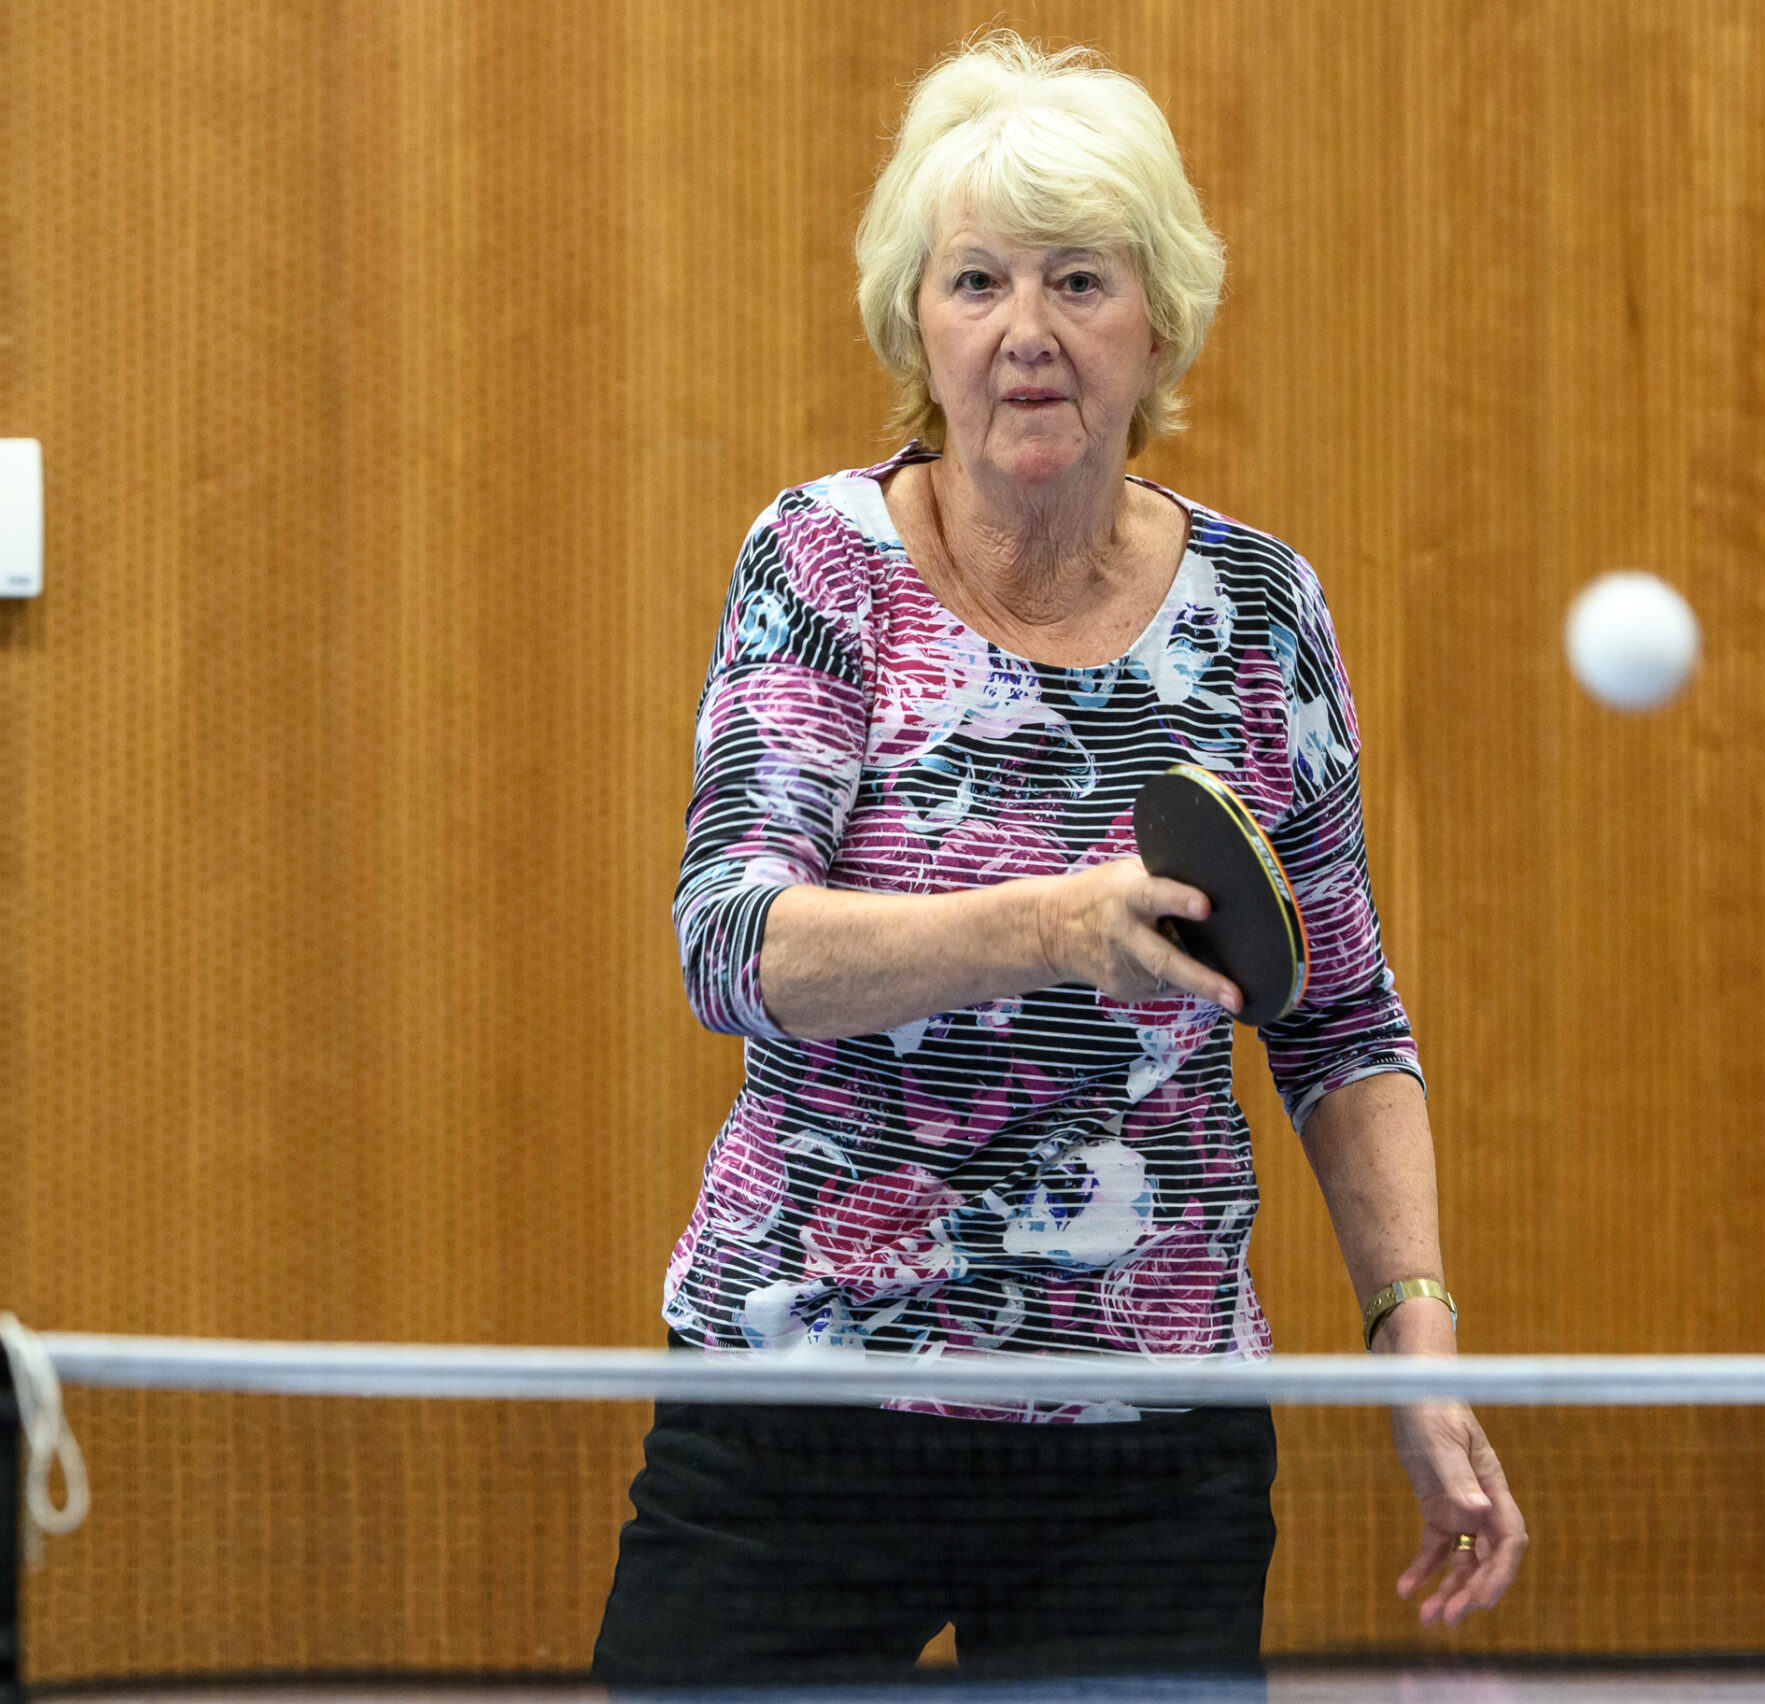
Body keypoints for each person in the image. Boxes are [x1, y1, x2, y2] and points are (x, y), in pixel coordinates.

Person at [593, 33, 1526, 1683]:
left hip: (1145, 1432)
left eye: (1078, 280)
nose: (1026, 332)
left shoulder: (1257, 613)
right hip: (802, 1392)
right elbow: (733, 943)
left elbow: (1340, 1019)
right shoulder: (820, 563)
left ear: (1156, 321)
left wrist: (1416, 1337)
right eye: (977, 282)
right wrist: (1050, 927)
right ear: (917, 324)